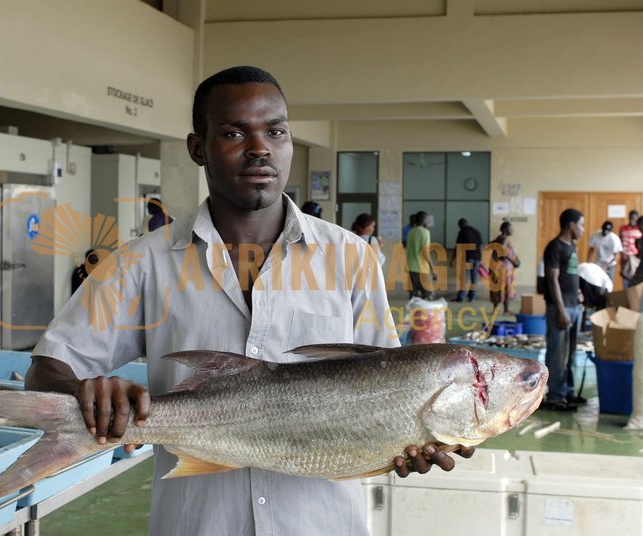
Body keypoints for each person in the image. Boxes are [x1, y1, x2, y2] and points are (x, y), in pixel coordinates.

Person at [26, 66, 473, 536]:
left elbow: (388, 390)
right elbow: (46, 370)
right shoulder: (141, 264)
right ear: (197, 148)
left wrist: (409, 440)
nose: (260, 148)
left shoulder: (351, 258)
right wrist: (88, 395)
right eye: (235, 132)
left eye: (275, 131)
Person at [542, 208, 586, 411]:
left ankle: (567, 392)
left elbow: (570, 275)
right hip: (561, 308)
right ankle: (555, 396)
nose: (583, 229)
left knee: (570, 354)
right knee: (558, 353)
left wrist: (578, 293)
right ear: (571, 225)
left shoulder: (573, 246)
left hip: (574, 305)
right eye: (581, 224)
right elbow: (552, 280)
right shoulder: (554, 247)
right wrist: (561, 310)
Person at [488, 221, 518, 314]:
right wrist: (514, 262)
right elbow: (502, 254)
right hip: (503, 268)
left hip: (496, 266)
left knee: (496, 288)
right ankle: (506, 310)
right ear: (505, 230)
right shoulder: (505, 239)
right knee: (506, 288)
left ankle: (495, 309)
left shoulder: (499, 238)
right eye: (511, 228)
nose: (512, 230)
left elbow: (489, 245)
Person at [450, 218, 483, 302]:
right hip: (477, 258)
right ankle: (472, 297)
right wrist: (480, 258)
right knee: (473, 278)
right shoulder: (476, 232)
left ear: (460, 225)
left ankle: (461, 297)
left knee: (464, 278)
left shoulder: (462, 232)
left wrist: (453, 260)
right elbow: (481, 246)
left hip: (468, 258)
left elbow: (457, 247)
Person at [405, 211, 435, 299]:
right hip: (421, 268)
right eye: (427, 219)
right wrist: (432, 267)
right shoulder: (425, 232)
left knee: (414, 296)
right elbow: (425, 252)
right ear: (424, 220)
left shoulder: (411, 232)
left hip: (411, 267)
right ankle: (424, 312)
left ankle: (415, 312)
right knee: (428, 294)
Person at [620, 210, 642, 288]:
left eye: (635, 218)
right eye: (631, 218)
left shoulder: (639, 230)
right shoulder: (623, 228)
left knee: (636, 281)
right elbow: (620, 242)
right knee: (626, 282)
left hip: (636, 260)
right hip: (626, 258)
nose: (633, 220)